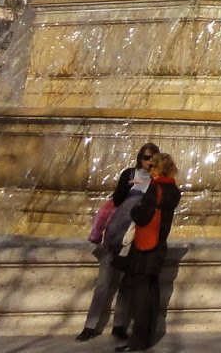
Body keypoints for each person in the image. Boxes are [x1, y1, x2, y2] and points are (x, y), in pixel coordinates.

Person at [77, 142, 159, 342]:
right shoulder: (129, 173)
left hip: (132, 240)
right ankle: (90, 326)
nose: (149, 162)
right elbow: (116, 199)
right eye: (146, 157)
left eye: (153, 159)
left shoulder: (156, 182)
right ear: (140, 158)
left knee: (125, 286)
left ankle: (119, 326)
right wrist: (128, 185)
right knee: (103, 286)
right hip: (114, 235)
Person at [116, 151, 180, 352]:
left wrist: (134, 210)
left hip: (146, 248)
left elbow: (143, 216)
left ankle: (137, 341)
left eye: (153, 166)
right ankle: (148, 338)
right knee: (152, 292)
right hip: (159, 245)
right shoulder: (173, 189)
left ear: (159, 168)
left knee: (141, 296)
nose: (150, 169)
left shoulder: (156, 188)